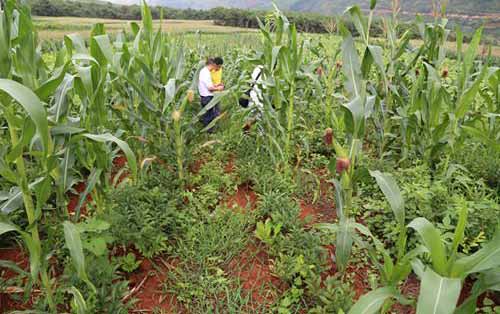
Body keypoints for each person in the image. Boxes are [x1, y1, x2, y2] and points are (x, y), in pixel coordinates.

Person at [198, 57, 224, 131]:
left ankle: (207, 130)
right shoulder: (206, 73)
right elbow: (210, 88)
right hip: (206, 97)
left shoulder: (205, 71)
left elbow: (209, 85)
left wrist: (217, 85)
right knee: (209, 116)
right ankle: (209, 132)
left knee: (208, 114)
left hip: (206, 96)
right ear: (214, 65)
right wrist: (219, 88)